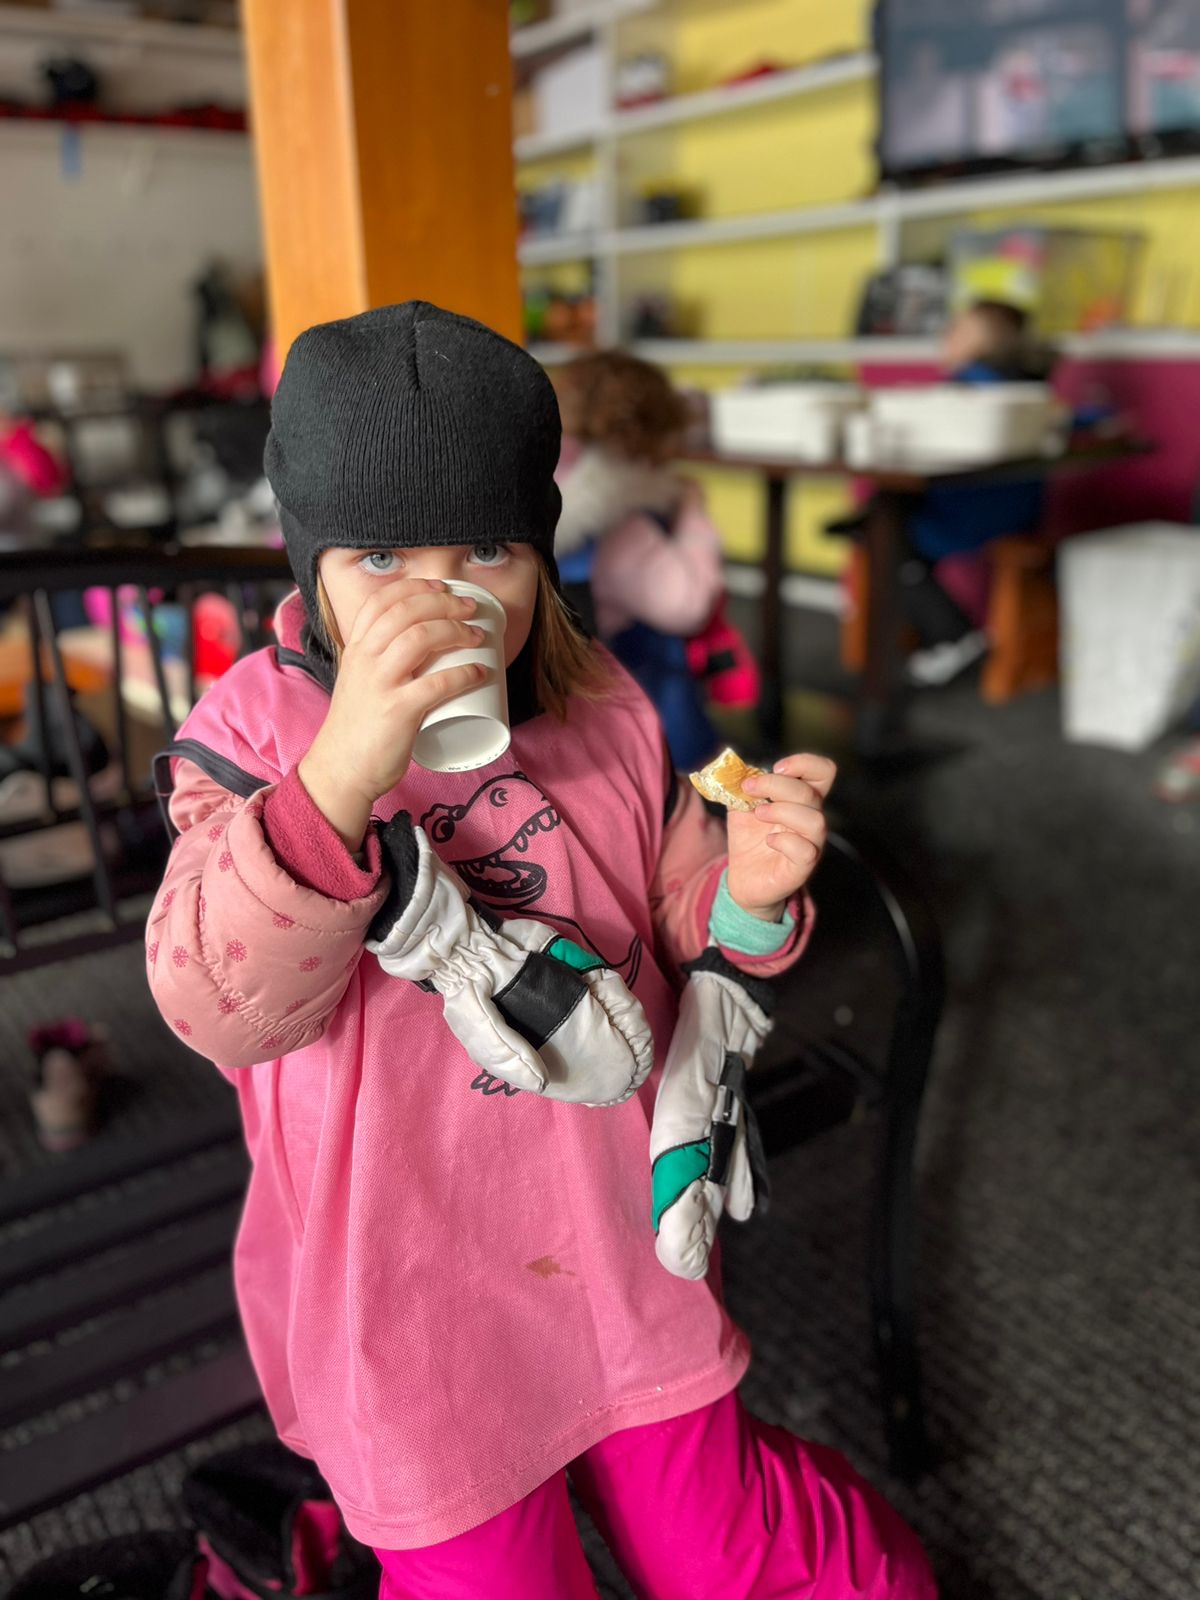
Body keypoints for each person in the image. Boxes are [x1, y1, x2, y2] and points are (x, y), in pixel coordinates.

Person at [147, 302, 935, 1600]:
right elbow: (217, 1003)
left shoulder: (602, 705)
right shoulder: (253, 740)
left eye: (489, 549)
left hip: (614, 1242)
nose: (441, 598)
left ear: (540, 557)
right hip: (405, 1299)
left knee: (732, 1552)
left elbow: (676, 919)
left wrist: (747, 889)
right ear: (309, 564)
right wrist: (336, 778)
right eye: (381, 554)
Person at [555, 350, 757, 769]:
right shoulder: (621, 522)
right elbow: (687, 607)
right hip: (638, 719)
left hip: (569, 701)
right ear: (652, 435)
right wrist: (693, 512)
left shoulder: (556, 496)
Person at [900, 299, 1055, 686]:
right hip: (1021, 513)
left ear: (981, 343)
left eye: (956, 329)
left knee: (884, 531)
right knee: (886, 523)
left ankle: (952, 634)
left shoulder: (964, 389)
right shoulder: (1033, 387)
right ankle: (939, 630)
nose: (945, 336)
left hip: (967, 519)